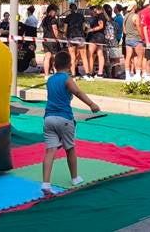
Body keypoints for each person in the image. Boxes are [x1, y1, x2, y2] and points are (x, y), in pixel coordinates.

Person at [41, 51, 100, 196]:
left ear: (54, 65)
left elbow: (57, 95)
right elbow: (78, 93)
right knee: (70, 149)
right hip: (64, 119)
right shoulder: (67, 79)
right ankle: (74, 178)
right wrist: (92, 104)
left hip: (48, 119)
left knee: (50, 151)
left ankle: (46, 183)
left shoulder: (50, 80)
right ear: (69, 65)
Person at [63, 3, 88, 78]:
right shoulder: (81, 16)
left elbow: (65, 29)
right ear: (76, 9)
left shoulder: (68, 17)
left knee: (72, 56)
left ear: (70, 9)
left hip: (71, 37)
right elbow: (84, 28)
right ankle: (87, 74)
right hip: (80, 37)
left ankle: (73, 74)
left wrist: (65, 35)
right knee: (84, 56)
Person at [122, 3, 144, 81]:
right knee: (140, 56)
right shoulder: (136, 16)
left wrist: (129, 33)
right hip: (136, 38)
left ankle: (127, 75)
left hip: (128, 38)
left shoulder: (125, 16)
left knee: (128, 57)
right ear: (134, 8)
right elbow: (138, 27)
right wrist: (142, 37)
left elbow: (124, 30)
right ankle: (138, 75)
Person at [84, 5, 107, 80]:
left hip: (95, 37)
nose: (93, 12)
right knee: (99, 54)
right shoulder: (102, 16)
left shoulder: (100, 16)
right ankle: (100, 73)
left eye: (94, 10)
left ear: (98, 10)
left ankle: (90, 72)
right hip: (100, 36)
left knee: (90, 54)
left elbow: (101, 26)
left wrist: (91, 30)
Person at [41, 4, 62, 78]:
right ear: (51, 11)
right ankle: (56, 74)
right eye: (55, 11)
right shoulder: (53, 20)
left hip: (45, 39)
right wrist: (58, 39)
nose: (56, 13)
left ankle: (46, 75)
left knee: (47, 56)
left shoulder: (44, 19)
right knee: (55, 57)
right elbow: (55, 30)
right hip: (52, 39)